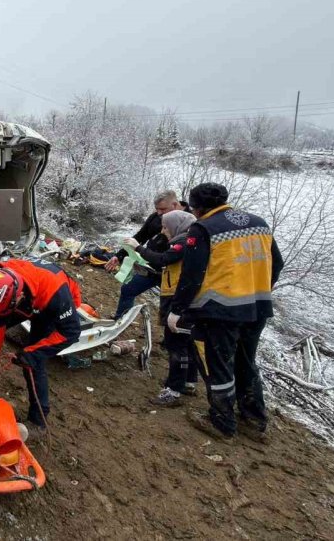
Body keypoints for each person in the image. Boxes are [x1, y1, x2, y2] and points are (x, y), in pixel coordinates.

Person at [169, 182, 284, 442]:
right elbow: (277, 264)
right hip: (257, 307)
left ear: (197, 208)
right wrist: (259, 289)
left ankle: (222, 422)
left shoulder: (203, 228)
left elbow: (192, 274)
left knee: (218, 365)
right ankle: (254, 419)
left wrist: (177, 309)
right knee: (246, 362)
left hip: (220, 311)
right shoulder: (259, 223)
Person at [0, 259, 82, 430]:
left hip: (49, 306)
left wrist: (33, 353)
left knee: (32, 364)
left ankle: (38, 421)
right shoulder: (5, 277)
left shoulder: (57, 296)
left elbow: (71, 332)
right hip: (28, 296)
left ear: (19, 297)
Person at [126, 209, 200, 407]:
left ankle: (173, 390)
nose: (163, 231)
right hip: (187, 298)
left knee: (176, 344)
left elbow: (163, 259)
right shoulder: (192, 241)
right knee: (187, 342)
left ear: (176, 226)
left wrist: (138, 248)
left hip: (178, 298)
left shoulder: (183, 242)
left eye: (166, 227)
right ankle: (189, 382)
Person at [105, 190, 188, 319]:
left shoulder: (191, 221)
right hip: (152, 267)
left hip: (174, 273)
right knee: (128, 290)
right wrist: (119, 255)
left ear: (175, 204)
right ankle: (121, 320)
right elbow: (140, 236)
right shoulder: (156, 217)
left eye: (162, 209)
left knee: (170, 309)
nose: (159, 213)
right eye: (157, 209)